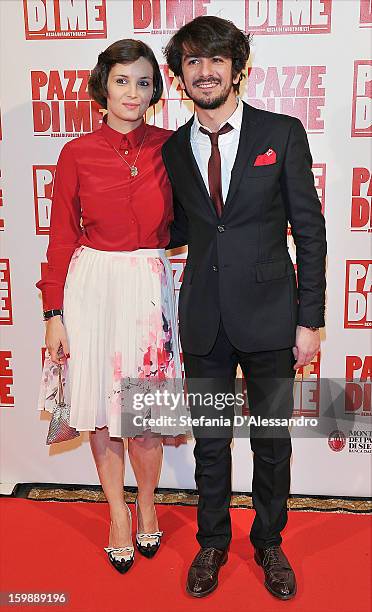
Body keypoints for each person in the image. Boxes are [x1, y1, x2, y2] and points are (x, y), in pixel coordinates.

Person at [163, 16, 326, 599]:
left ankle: (269, 540)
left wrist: (310, 320)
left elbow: (309, 230)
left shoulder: (281, 132)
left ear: (238, 68)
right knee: (209, 438)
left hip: (271, 317)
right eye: (192, 62)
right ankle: (211, 543)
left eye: (215, 60)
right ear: (179, 75)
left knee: (272, 440)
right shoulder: (173, 149)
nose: (204, 71)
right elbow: (177, 228)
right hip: (204, 316)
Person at [37, 39, 188, 574]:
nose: (133, 91)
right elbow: (60, 238)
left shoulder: (174, 147)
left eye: (144, 82)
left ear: (156, 91)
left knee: (142, 413)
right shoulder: (76, 152)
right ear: (103, 87)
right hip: (91, 287)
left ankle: (148, 505)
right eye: (122, 80)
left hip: (148, 286)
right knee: (103, 411)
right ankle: (118, 513)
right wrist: (54, 312)